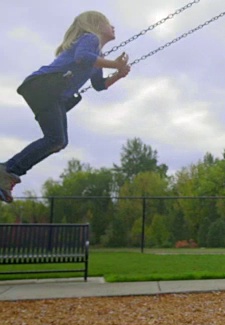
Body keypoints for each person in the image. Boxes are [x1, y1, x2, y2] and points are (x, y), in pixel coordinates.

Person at [0, 11, 131, 203]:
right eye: (109, 23)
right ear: (96, 25)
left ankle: (8, 173)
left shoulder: (98, 54)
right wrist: (114, 64)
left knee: (58, 141)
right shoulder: (90, 39)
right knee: (56, 138)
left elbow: (98, 85)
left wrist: (118, 74)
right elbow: (83, 57)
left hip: (48, 94)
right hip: (43, 87)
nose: (113, 27)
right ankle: (8, 170)